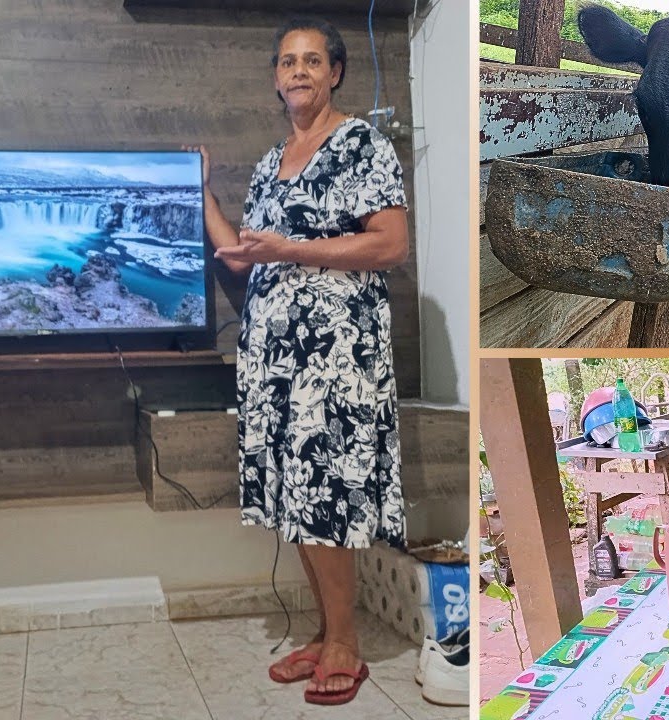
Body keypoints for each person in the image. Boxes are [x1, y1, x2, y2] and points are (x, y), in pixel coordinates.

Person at [190, 16, 409, 707]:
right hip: (273, 357)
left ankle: (344, 640)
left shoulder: (361, 144)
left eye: (313, 60)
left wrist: (289, 250)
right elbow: (239, 254)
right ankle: (326, 631)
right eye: (288, 62)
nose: (299, 72)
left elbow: (389, 244)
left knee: (326, 494)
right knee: (298, 493)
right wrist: (200, 192)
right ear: (276, 77)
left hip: (335, 352)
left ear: (336, 71)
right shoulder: (270, 160)